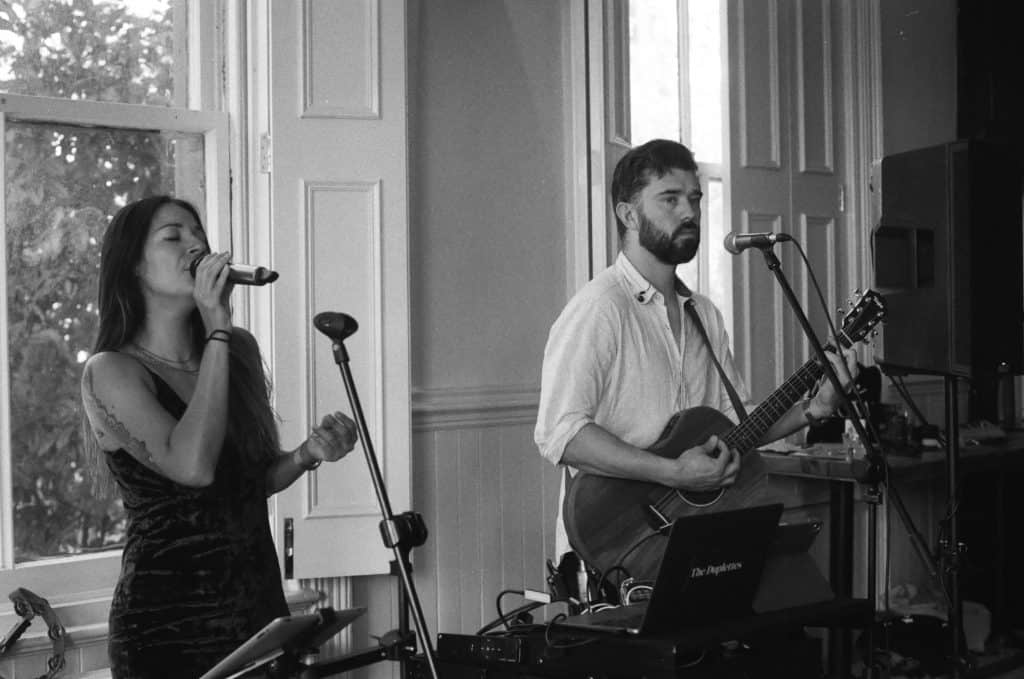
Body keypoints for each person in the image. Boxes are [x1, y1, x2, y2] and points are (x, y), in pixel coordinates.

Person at [534, 139, 857, 567]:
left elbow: (738, 424)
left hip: (693, 546)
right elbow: (561, 434)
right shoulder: (600, 309)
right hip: (615, 552)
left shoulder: (703, 314)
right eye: (670, 199)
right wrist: (672, 473)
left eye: (695, 199)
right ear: (628, 214)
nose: (689, 213)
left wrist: (812, 410)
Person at [80, 195, 359, 678]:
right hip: (167, 624)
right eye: (174, 236)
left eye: (199, 235)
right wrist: (217, 330)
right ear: (133, 268)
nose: (197, 247)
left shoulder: (236, 350)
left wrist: (306, 454)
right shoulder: (112, 372)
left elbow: (246, 482)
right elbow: (192, 467)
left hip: (256, 608)